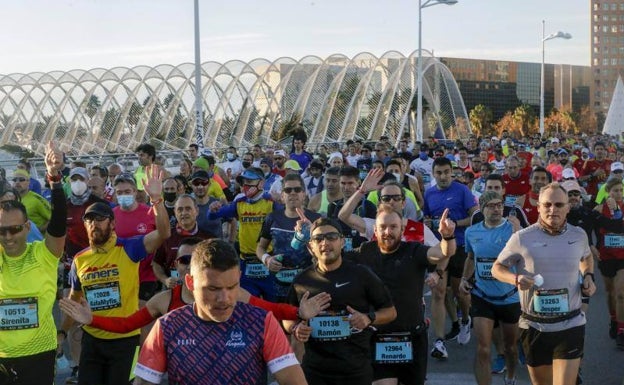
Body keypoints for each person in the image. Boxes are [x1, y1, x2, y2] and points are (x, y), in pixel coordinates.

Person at [60, 237, 331, 334]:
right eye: (183, 260)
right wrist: (91, 319)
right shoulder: (165, 300)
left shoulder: (233, 292)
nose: (189, 264)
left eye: (194, 259)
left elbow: (269, 308)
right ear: (178, 267)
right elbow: (126, 325)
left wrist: (298, 313)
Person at [134, 239, 308, 385]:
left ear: (239, 277)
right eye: (213, 288)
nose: (224, 298)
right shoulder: (168, 327)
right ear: (190, 283)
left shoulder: (262, 322)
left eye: (232, 287)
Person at [61, 165, 171, 385]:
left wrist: (157, 200)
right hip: (92, 339)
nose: (94, 224)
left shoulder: (129, 249)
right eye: (89, 220)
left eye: (100, 219)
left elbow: (164, 233)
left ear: (112, 223)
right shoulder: (80, 259)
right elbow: (74, 300)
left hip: (124, 341)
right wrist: (62, 333)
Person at [492, 182, 596, 385]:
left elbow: (587, 258)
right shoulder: (521, 238)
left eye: (559, 205)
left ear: (568, 207)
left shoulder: (579, 235)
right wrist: (515, 279)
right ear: (538, 206)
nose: (553, 210)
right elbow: (497, 268)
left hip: (571, 322)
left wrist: (589, 276)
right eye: (547, 204)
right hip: (534, 325)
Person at [344, 205, 456, 385]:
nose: (387, 232)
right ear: (375, 229)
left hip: (412, 336)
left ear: (402, 229)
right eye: (382, 227)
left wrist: (447, 236)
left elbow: (443, 252)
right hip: (376, 336)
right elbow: (332, 259)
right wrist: (311, 237)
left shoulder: (414, 251)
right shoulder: (365, 251)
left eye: (393, 227)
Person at [285, 217, 397, 384]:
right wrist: (296, 327)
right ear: (310, 247)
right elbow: (287, 317)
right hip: (315, 372)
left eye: (331, 237)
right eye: (318, 239)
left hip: (355, 371)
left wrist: (368, 318)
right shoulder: (302, 281)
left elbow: (390, 312)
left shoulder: (361, 275)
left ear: (342, 242)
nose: (325, 243)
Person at [0, 142, 66, 385]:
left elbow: (58, 225)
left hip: (38, 354)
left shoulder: (43, 253)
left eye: (15, 229)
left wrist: (55, 179)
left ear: (27, 228)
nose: (8, 237)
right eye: (2, 231)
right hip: (2, 357)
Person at [460, 191, 521, 385]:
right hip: (482, 296)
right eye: (492, 206)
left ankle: (510, 377)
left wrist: (518, 231)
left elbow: (524, 256)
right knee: (483, 348)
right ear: (482, 208)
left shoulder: (511, 229)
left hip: (509, 297)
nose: (496, 209)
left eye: (499, 205)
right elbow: (471, 258)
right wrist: (464, 278)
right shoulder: (472, 232)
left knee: (511, 348)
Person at [423, 156, 478, 359]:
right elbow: (427, 217)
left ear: (452, 173)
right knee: (438, 292)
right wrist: (429, 223)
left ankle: (464, 320)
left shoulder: (462, 190)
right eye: (439, 173)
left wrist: (454, 224)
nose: (443, 176)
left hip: (460, 246)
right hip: (438, 248)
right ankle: (439, 341)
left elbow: (474, 216)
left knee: (458, 292)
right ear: (434, 174)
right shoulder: (429, 193)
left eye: (446, 172)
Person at [592, 177, 624, 348]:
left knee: (621, 293)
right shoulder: (599, 209)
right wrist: (592, 246)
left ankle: (621, 329)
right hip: (606, 256)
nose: (618, 193)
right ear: (608, 192)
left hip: (622, 257)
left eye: (621, 190)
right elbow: (589, 228)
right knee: (610, 292)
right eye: (615, 190)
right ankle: (613, 319)